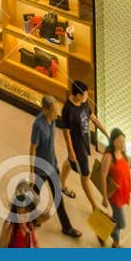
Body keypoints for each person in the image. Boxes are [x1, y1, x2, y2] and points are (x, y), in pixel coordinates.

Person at [30, 95, 80, 238]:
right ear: (44, 109)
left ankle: (67, 227)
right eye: (53, 109)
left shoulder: (53, 121)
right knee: (34, 196)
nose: (56, 112)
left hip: (52, 165)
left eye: (56, 109)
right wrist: (32, 172)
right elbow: (32, 149)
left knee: (58, 196)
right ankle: (30, 219)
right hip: (41, 169)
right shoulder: (38, 125)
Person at [60, 80, 106, 210]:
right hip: (77, 147)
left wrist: (106, 133)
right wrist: (71, 151)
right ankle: (94, 206)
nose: (87, 97)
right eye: (85, 95)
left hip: (84, 141)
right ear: (78, 95)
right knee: (85, 175)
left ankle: (61, 185)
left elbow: (93, 118)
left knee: (69, 162)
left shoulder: (83, 103)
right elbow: (66, 132)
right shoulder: (68, 109)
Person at [93, 130, 130, 248]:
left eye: (123, 141)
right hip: (114, 195)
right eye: (119, 141)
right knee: (120, 223)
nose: (122, 143)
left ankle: (111, 240)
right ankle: (108, 236)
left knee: (115, 219)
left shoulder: (122, 153)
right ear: (113, 142)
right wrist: (104, 197)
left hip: (122, 193)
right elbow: (103, 177)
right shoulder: (109, 156)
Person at [0, 181, 44, 247]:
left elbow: (36, 244)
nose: (22, 215)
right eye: (19, 210)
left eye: (26, 211)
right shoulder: (10, 225)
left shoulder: (30, 225)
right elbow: (1, 247)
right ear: (15, 209)